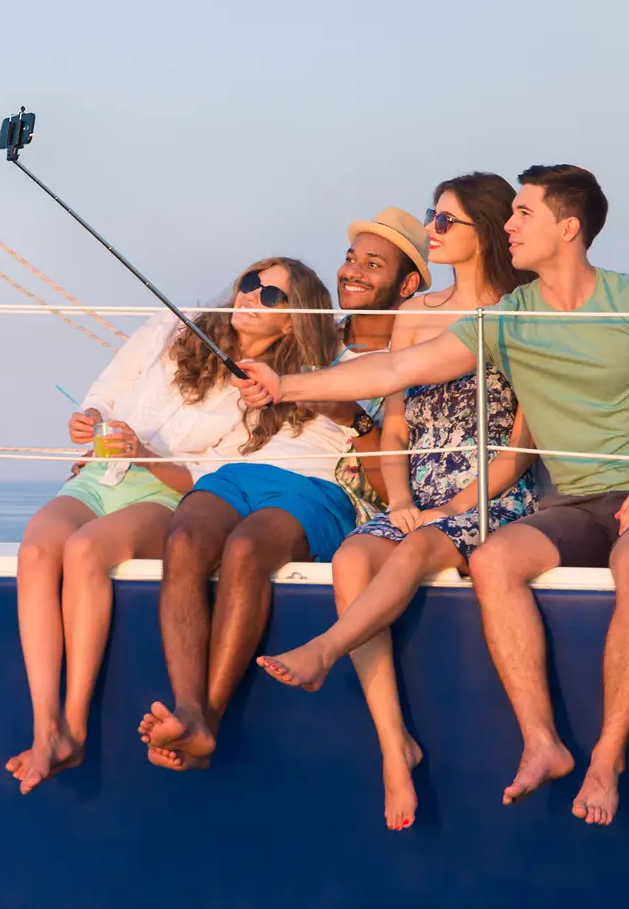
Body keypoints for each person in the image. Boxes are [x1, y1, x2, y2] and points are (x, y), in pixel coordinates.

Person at [236, 165, 629, 825]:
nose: (509, 225)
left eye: (523, 213)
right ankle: (542, 740)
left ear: (568, 227)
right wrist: (284, 384)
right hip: (575, 504)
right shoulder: (511, 317)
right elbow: (398, 367)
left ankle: (607, 758)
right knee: (494, 559)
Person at [257, 173, 538, 832]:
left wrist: (451, 507)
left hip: (494, 490)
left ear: (484, 234)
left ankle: (324, 651)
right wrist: (407, 494)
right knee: (355, 555)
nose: (433, 231)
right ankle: (394, 743)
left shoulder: (522, 312)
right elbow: (394, 426)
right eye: (431, 218)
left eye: (444, 222)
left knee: (410, 547)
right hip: (421, 491)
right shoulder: (415, 316)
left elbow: (522, 447)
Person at [5, 257, 344, 794]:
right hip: (103, 471)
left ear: (293, 321)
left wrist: (144, 454)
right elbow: (110, 386)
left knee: (86, 552)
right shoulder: (176, 324)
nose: (251, 296)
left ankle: (73, 726)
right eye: (249, 284)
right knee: (37, 551)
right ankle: (44, 727)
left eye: (271, 296)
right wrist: (90, 417)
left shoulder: (273, 390)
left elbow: (208, 480)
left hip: (166, 492)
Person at [139, 212, 428, 772]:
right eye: (351, 258)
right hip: (247, 471)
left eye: (374, 264)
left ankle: (206, 722)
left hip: (319, 487)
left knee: (247, 550)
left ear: (409, 283)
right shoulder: (308, 339)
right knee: (186, 538)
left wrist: (351, 415)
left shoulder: (409, 354)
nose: (354, 271)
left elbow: (384, 477)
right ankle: (189, 709)